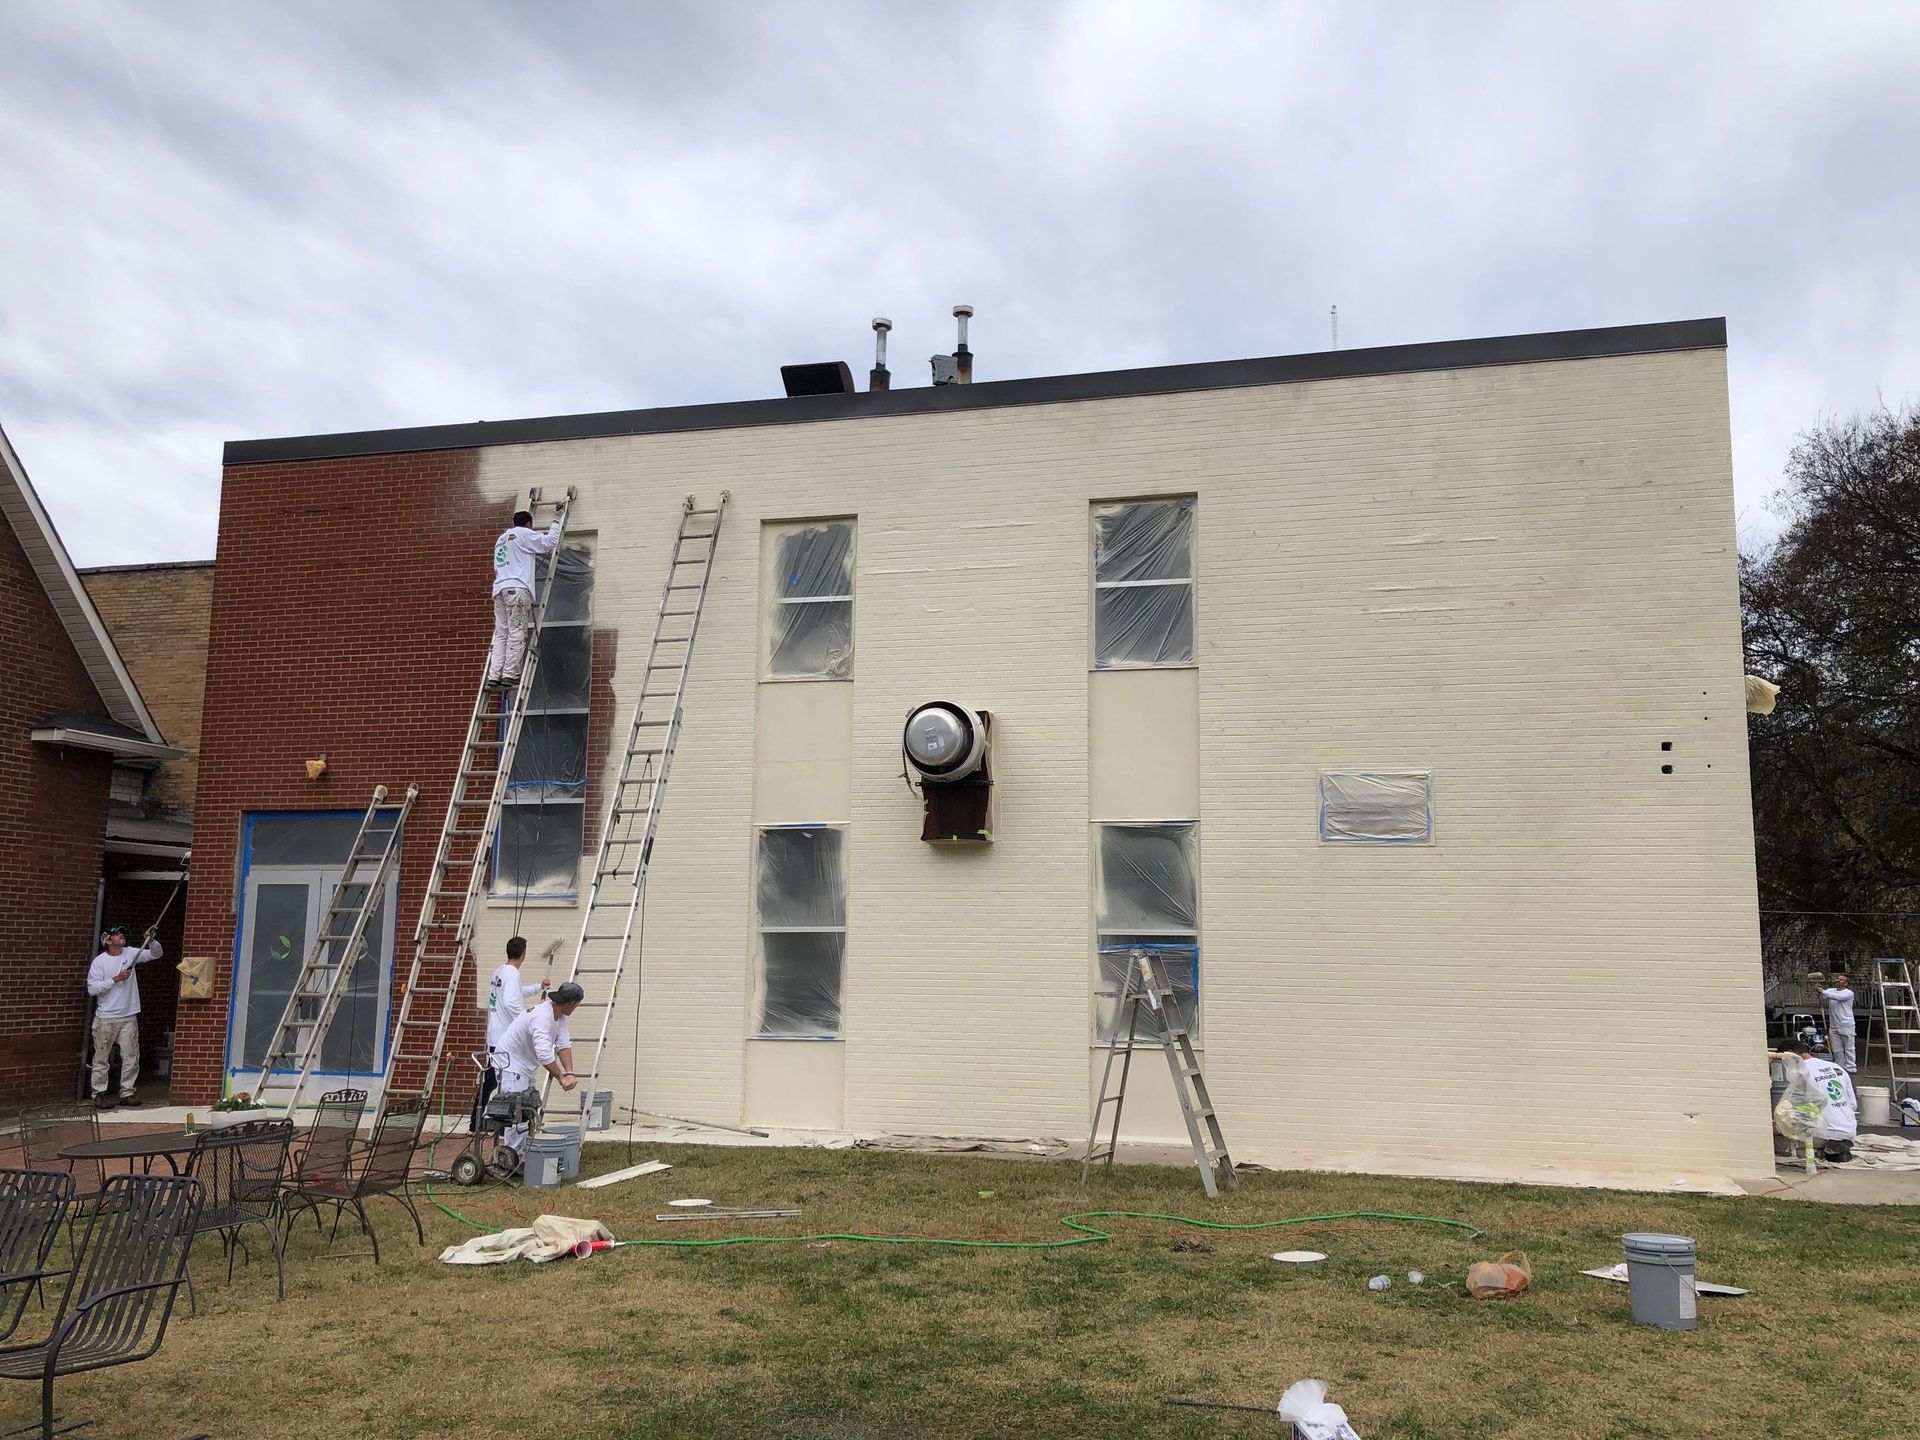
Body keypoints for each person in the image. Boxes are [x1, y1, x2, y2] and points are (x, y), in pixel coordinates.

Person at [493, 982, 585, 1152]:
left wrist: (569, 1072)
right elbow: (543, 1053)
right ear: (571, 1004)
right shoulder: (542, 1017)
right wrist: (560, 1077)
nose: (577, 1007)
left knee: (527, 1109)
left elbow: (563, 1044)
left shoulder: (560, 1017)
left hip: (525, 1065)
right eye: (577, 1004)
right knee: (515, 1112)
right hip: (510, 1064)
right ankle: (512, 1157)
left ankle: (522, 1154)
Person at [85, 924, 164, 1108]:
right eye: (116, 935)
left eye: (121, 933)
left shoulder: (130, 953)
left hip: (128, 1015)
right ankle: (99, 1094)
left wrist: (151, 941)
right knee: (102, 1057)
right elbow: (92, 988)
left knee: (131, 1056)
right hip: (106, 1017)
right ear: (108, 941)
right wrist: (115, 979)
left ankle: (127, 1092)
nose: (121, 936)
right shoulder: (100, 962)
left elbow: (155, 954)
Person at [476, 936, 545, 1128]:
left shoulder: (500, 971)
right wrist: (526, 1021)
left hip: (494, 1036)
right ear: (523, 953)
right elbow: (511, 1001)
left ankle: (476, 1122)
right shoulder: (512, 974)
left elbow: (514, 993)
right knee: (505, 1086)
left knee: (491, 1081)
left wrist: (538, 988)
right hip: (505, 1040)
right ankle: (501, 1125)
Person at [487, 507, 561, 687]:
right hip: (517, 589)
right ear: (529, 524)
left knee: (502, 634)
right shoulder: (524, 534)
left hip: (499, 590)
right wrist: (557, 520)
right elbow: (550, 541)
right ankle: (509, 674)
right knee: (517, 631)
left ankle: (494, 675)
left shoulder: (501, 539)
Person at [1820, 974, 1857, 1075]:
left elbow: (1837, 997)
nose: (1838, 981)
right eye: (1837, 979)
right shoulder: (1831, 990)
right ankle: (1839, 1066)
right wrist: (1819, 988)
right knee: (1837, 1048)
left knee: (1849, 1047)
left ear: (1846, 983)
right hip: (1834, 1024)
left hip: (1846, 1024)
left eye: (1841, 980)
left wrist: (1823, 992)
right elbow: (1824, 995)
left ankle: (1850, 1067)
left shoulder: (1849, 993)